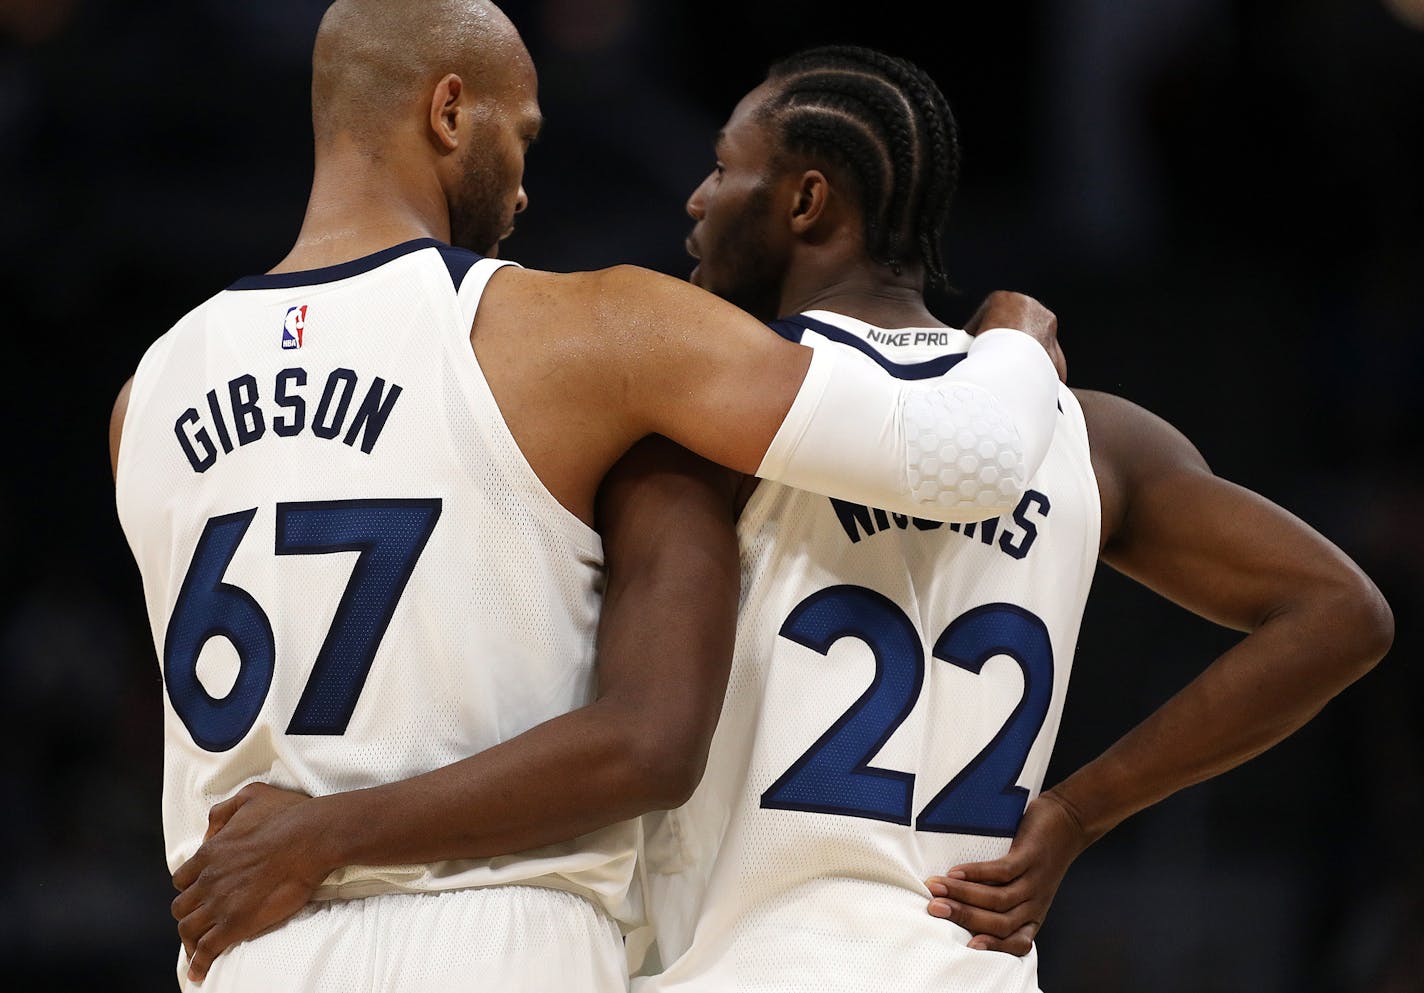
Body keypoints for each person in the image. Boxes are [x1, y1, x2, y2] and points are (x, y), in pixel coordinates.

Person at [110, 2, 1066, 990]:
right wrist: (1009, 340)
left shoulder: (146, 395)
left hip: (247, 939)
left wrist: (314, 838)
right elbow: (969, 455)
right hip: (496, 931)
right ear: (449, 113)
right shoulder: (579, 330)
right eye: (519, 137)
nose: (523, 189)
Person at [624, 44, 1394, 991]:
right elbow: (1342, 612)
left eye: (722, 166)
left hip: (758, 962)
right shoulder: (1088, 434)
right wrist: (1077, 813)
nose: (698, 199)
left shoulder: (717, 411)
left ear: (805, 202)